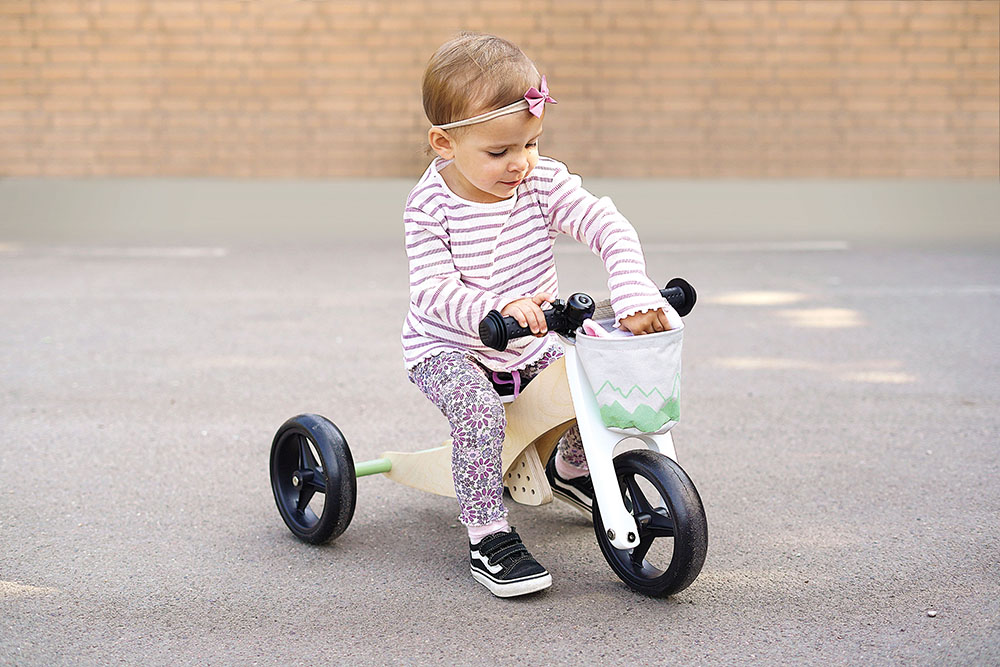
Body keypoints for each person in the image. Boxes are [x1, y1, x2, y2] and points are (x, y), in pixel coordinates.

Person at [402, 32, 677, 598]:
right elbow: (432, 289)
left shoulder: (540, 181)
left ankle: (572, 468)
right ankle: (487, 531)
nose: (520, 163)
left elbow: (606, 225)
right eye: (499, 152)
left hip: (531, 338)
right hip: (449, 347)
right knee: (480, 412)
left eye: (531, 143)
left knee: (590, 374)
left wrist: (631, 288)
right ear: (444, 144)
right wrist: (493, 308)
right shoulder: (430, 207)